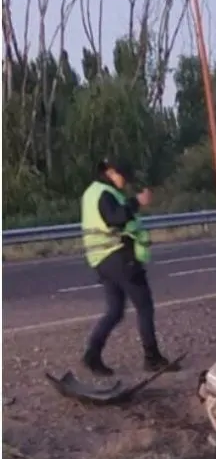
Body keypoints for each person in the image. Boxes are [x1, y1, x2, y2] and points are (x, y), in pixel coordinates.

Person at [80, 157, 172, 376]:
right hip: (119, 257)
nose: (126, 181)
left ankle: (92, 355)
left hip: (101, 260)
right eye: (124, 176)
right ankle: (152, 358)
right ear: (111, 172)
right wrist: (137, 202)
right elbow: (115, 218)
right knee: (144, 307)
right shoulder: (105, 194)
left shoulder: (92, 192)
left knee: (114, 311)